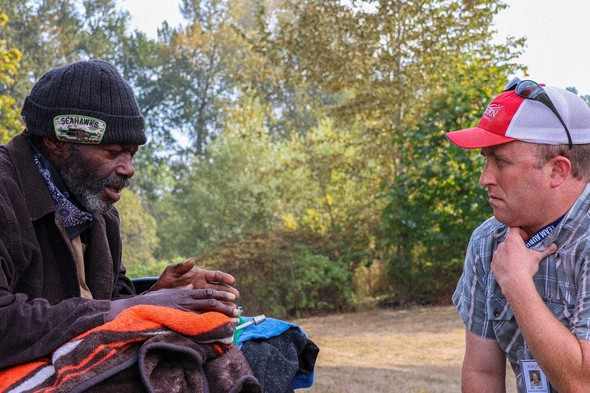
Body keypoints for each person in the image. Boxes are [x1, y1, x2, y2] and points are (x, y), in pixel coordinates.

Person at [0, 59, 241, 370]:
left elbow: (112, 299)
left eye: (132, 154)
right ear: (57, 140)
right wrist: (133, 308)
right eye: (113, 153)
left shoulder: (97, 208)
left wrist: (158, 295)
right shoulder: (6, 194)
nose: (129, 169)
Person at [447, 77, 590, 392]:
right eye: (486, 160)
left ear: (558, 170)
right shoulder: (488, 242)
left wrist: (516, 282)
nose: (485, 179)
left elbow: (583, 383)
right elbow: (482, 372)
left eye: (501, 162)